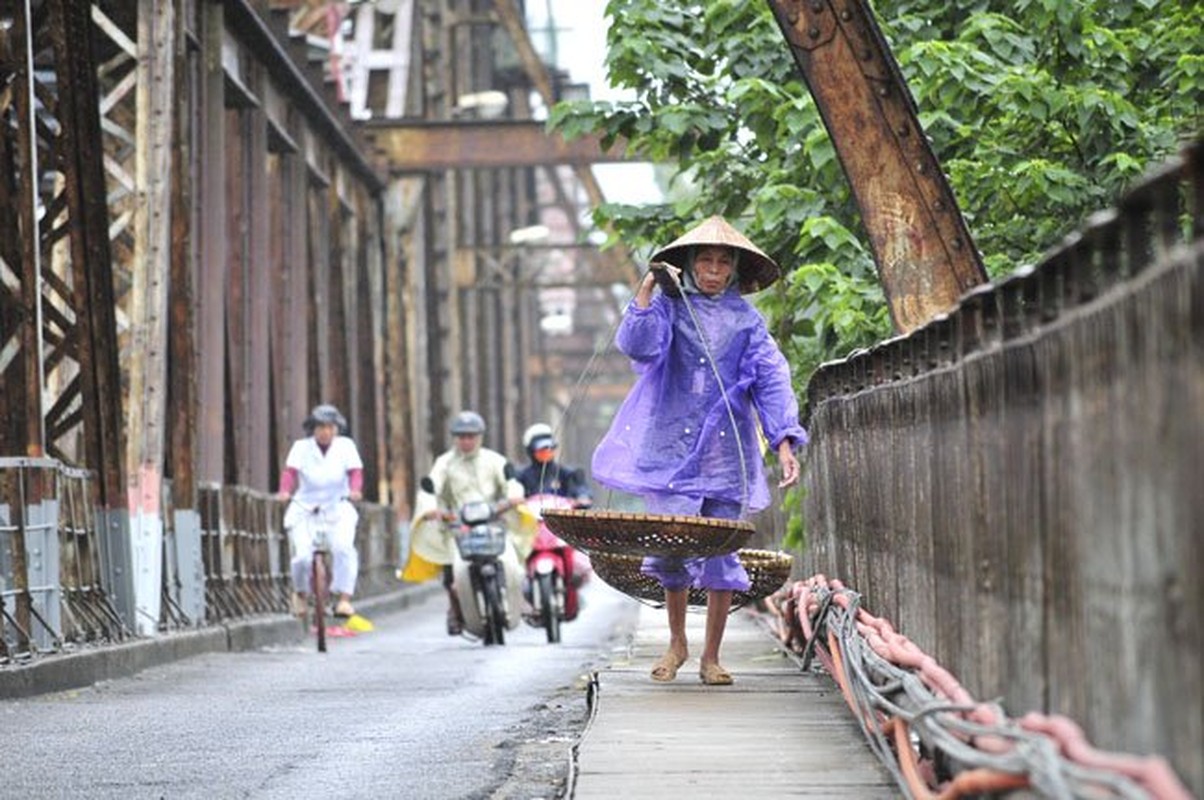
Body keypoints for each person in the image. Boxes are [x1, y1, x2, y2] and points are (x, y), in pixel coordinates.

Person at [592, 215, 807, 686]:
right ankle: (676, 644)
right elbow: (639, 346)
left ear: (733, 269)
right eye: (705, 261)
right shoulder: (671, 307)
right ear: (689, 265)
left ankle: (712, 655)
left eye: (722, 262)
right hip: (667, 444)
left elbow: (772, 378)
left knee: (720, 552)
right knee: (672, 551)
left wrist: (784, 440)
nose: (713, 270)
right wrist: (650, 285)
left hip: (725, 454)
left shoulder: (747, 321)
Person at [403, 410, 524, 635]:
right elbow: (431, 486)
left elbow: (511, 481)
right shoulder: (444, 463)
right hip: (459, 526)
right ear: (455, 438)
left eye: (471, 436)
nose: (467, 441)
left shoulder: (494, 460)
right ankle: (455, 607)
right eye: (462, 436)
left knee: (514, 563)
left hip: (492, 522)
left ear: (480, 436)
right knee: (452, 575)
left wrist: (514, 496)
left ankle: (518, 596)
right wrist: (430, 507)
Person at [278, 403, 364, 618]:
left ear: (336, 429)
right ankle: (300, 594)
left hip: (338, 505)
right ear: (312, 429)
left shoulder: (346, 446)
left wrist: (355, 490)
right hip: (306, 506)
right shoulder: (301, 447)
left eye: (330, 427)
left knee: (344, 548)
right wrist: (284, 491)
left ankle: (344, 599)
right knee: (301, 557)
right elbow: (290, 473)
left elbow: (355, 472)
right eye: (320, 427)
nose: (325, 432)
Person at [516, 422, 592, 505]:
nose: (547, 452)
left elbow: (581, 490)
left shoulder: (568, 474)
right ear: (530, 451)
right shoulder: (520, 477)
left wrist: (582, 498)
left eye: (550, 448)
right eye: (542, 449)